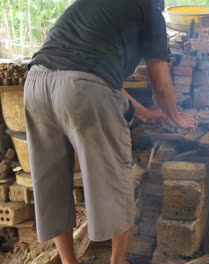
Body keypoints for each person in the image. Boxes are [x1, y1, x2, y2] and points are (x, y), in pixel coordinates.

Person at [24, 0, 197, 263]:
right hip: (81, 92)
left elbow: (103, 79)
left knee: (52, 186)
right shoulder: (148, 10)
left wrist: (146, 113)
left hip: (36, 85)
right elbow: (160, 83)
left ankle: (69, 261)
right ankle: (118, 261)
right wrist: (176, 116)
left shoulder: (93, 6)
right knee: (115, 182)